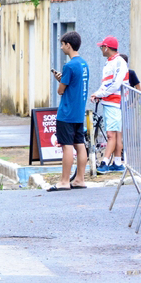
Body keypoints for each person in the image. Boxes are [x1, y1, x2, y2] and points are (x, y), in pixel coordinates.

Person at [50, 31, 90, 191]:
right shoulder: (84, 64)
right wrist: (63, 80)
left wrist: (60, 81)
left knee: (66, 146)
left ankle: (64, 181)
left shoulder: (69, 66)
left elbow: (61, 91)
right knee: (79, 144)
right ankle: (80, 179)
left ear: (68, 45)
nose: (61, 48)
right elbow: (74, 84)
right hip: (79, 112)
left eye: (62, 44)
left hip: (66, 113)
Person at [91, 35, 129, 172]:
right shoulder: (112, 62)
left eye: (102, 47)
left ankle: (105, 162)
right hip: (112, 102)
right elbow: (106, 84)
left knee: (111, 134)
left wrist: (99, 94)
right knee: (116, 134)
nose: (101, 49)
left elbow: (115, 85)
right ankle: (117, 163)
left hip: (114, 102)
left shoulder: (118, 62)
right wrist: (98, 93)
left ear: (106, 48)